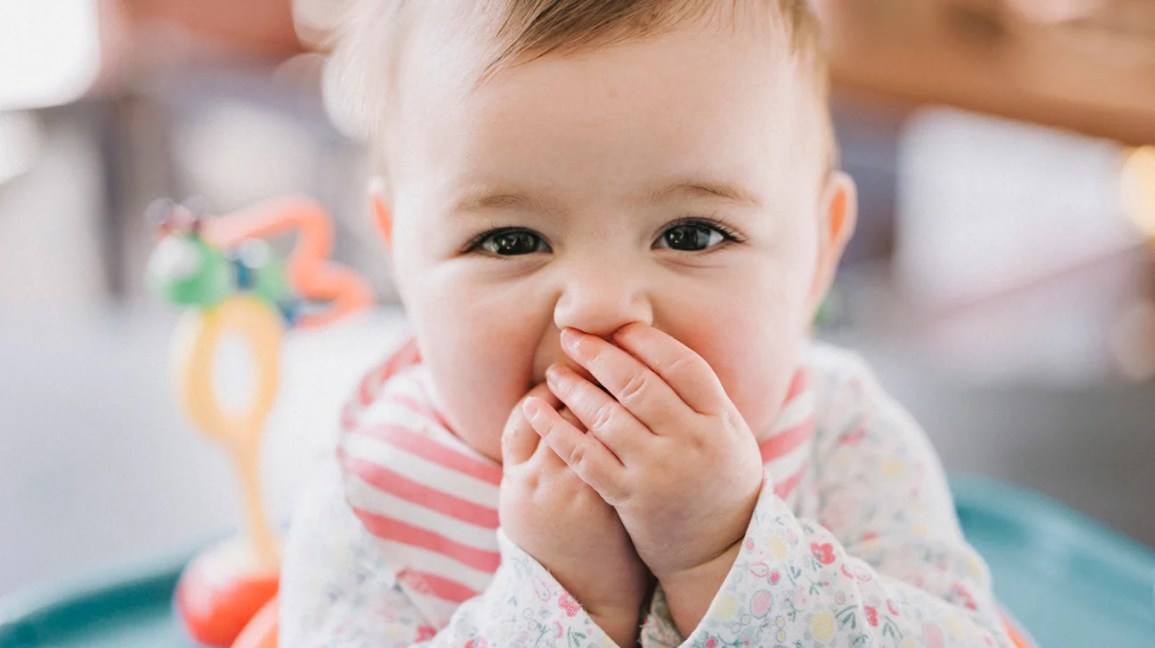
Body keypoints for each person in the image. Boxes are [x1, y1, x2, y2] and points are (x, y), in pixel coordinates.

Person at [280, 1, 1015, 646]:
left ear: (819, 251)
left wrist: (726, 554)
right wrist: (562, 603)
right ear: (399, 254)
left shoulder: (840, 438)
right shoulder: (371, 497)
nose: (596, 307)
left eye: (692, 234)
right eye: (509, 241)